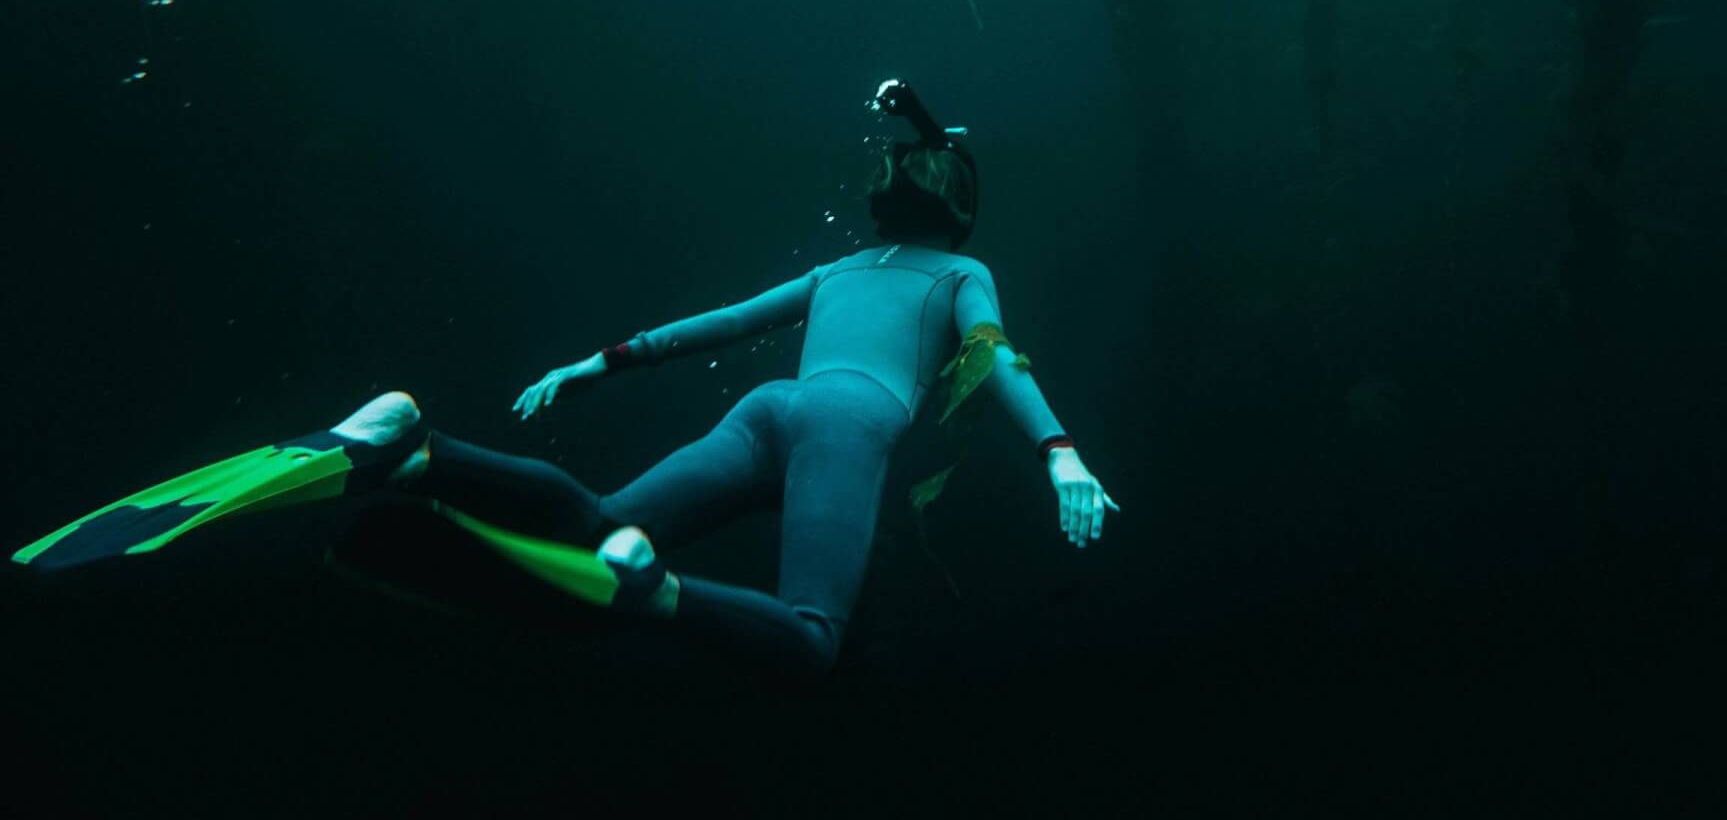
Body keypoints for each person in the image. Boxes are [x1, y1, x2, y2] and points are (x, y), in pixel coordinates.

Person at [14, 79, 1119, 676]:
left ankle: (412, 444)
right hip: (843, 424)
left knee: (588, 524)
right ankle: (653, 587)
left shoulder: (843, 263)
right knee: (809, 637)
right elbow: (993, 358)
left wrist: (594, 361)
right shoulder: (963, 270)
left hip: (767, 406)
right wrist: (1060, 450)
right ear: (959, 206)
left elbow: (720, 322)